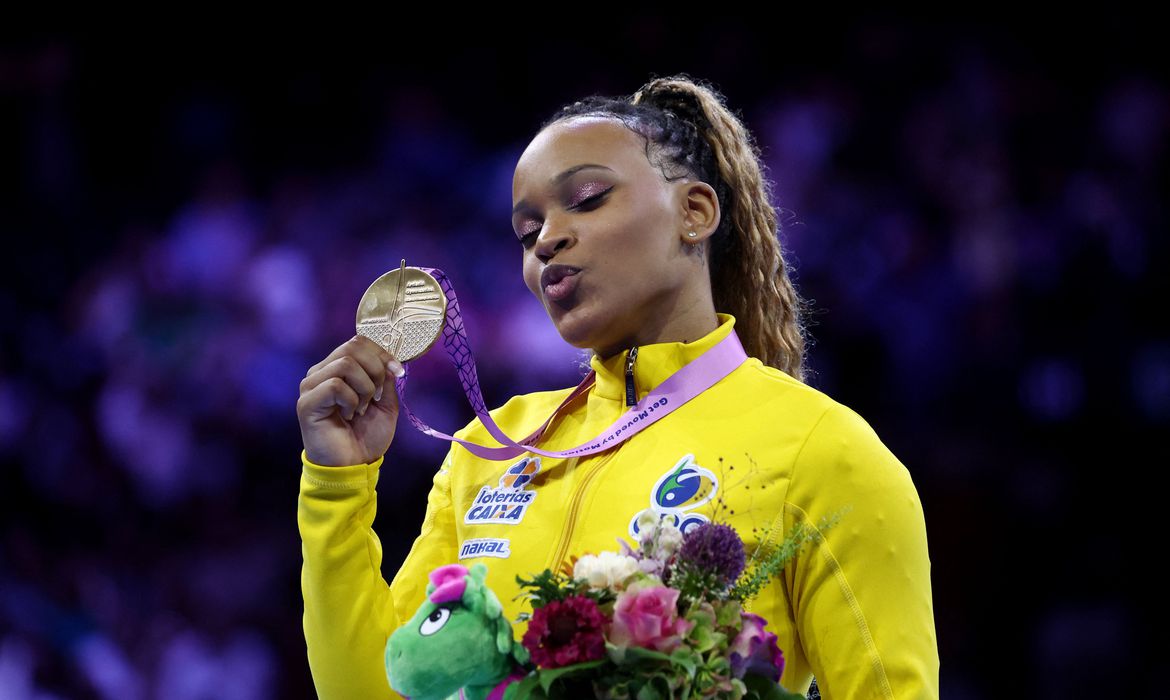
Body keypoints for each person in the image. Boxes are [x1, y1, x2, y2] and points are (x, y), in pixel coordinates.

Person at [296, 74, 939, 699]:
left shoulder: (820, 450)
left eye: (587, 199)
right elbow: (384, 687)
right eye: (526, 232)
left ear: (694, 212)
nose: (547, 240)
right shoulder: (491, 450)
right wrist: (337, 489)